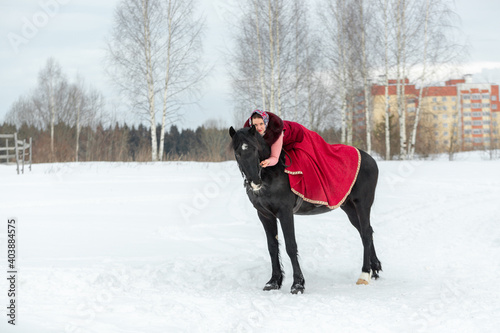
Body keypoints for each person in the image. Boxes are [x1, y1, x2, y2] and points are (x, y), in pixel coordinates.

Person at [244, 109, 361, 209]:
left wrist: (268, 161)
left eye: (261, 124)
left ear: (266, 123)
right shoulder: (251, 133)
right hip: (286, 143)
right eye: (255, 125)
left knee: (305, 160)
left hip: (300, 138)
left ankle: (317, 193)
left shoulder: (275, 132)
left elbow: (274, 157)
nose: (258, 127)